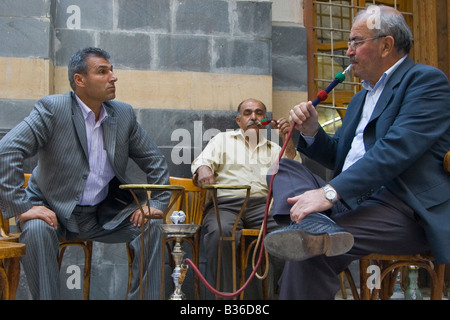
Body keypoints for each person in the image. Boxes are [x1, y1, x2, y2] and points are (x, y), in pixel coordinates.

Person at [264, 5, 450, 299]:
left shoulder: (425, 82)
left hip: (400, 208)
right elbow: (340, 156)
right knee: (283, 169)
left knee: (311, 251)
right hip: (350, 204)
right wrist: (311, 131)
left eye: (355, 42)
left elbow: (394, 152)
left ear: (386, 45)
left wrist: (327, 193)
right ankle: (313, 228)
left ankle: (312, 232)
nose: (348, 51)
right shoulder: (360, 98)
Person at [0, 47, 170, 299]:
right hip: (51, 211)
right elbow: (7, 150)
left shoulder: (122, 114)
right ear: (79, 80)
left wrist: (156, 203)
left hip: (103, 214)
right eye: (102, 71)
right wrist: (22, 207)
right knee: (35, 230)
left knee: (152, 225)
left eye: (111, 70)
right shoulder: (52, 109)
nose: (113, 77)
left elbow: (155, 160)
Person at [192, 98, 301, 298]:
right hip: (226, 205)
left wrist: (288, 138)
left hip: (264, 206)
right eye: (247, 113)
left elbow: (294, 174)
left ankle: (273, 294)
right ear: (238, 120)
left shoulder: (275, 149)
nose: (253, 117)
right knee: (221, 232)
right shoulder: (222, 140)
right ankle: (225, 298)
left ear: (265, 120)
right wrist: (203, 169)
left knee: (289, 234)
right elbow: (203, 161)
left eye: (259, 113)